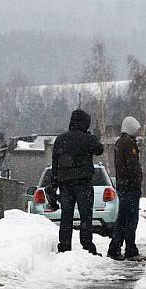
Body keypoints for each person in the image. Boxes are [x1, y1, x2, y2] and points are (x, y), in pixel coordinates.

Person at [51, 109, 104, 255]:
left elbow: (55, 163)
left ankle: (64, 245)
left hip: (65, 183)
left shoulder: (61, 139)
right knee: (85, 214)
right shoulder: (88, 139)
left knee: (66, 215)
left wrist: (54, 183)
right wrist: (92, 137)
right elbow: (99, 150)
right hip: (83, 182)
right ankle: (87, 245)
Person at [108, 116, 146, 261]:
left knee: (123, 219)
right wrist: (137, 180)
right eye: (136, 129)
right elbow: (133, 167)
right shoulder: (129, 144)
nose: (138, 132)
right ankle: (128, 249)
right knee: (129, 220)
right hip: (130, 187)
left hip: (124, 186)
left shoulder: (120, 143)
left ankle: (117, 248)